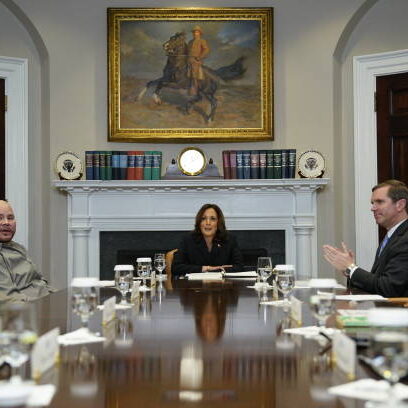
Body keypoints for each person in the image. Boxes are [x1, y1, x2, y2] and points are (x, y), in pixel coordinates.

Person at [323, 180, 408, 297]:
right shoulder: (392, 235)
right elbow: (379, 282)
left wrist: (351, 268)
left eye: (379, 202)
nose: (373, 208)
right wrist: (349, 270)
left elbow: (388, 288)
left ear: (400, 205)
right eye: (372, 203)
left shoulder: (405, 239)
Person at [0, 200, 54, 301]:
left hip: (46, 301)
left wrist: (58, 297)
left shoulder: (18, 247)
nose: (6, 223)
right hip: (30, 311)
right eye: (0, 218)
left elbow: (39, 281)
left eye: (10, 218)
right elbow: (10, 300)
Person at [172, 203, 244, 277]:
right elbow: (176, 268)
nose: (208, 223)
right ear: (199, 222)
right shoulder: (187, 240)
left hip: (221, 287)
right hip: (194, 287)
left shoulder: (229, 239)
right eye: (203, 219)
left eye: (212, 219)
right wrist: (205, 268)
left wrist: (218, 270)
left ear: (218, 222)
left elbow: (240, 267)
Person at [187, 25, 210, 95]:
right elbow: (187, 51)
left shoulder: (202, 41)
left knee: (194, 71)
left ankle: (195, 89)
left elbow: (206, 50)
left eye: (196, 32)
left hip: (196, 60)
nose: (195, 34)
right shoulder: (190, 42)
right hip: (188, 60)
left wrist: (199, 57)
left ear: (199, 33)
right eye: (194, 32)